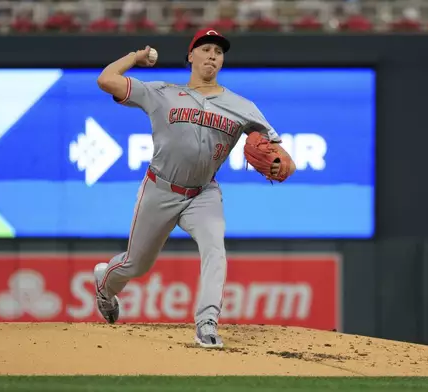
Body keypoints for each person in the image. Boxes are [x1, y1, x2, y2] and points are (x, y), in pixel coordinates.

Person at [93, 28, 296, 348]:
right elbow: (106, 80)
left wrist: (279, 162)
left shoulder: (242, 106)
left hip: (203, 193)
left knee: (215, 248)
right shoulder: (161, 92)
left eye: (218, 50)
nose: (212, 55)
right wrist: (135, 57)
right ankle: (105, 286)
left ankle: (207, 323)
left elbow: (278, 152)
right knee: (137, 264)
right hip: (159, 188)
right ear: (191, 56)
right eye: (205, 49)